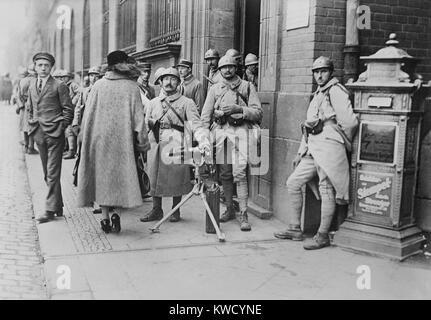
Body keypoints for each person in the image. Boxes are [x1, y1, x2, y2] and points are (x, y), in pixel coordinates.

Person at [274, 56, 359, 250]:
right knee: (293, 182)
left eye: (323, 71)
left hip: (329, 149)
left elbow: (350, 122)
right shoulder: (318, 93)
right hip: (313, 148)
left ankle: (322, 235)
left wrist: (337, 137)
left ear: (331, 72)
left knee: (326, 188)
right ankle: (295, 228)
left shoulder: (336, 91)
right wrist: (300, 152)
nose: (319, 75)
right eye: (316, 72)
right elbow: (309, 126)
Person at [77, 50, 150, 234]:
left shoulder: (98, 86)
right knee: (120, 178)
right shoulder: (132, 87)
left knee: (102, 179)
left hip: (98, 141)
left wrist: (83, 141)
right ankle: (117, 213)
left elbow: (87, 117)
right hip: (123, 143)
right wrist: (142, 144)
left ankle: (104, 218)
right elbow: (139, 121)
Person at [201, 55, 263, 231]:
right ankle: (229, 209)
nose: (227, 70)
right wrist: (204, 134)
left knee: (239, 173)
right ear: (219, 70)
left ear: (236, 68)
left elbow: (258, 112)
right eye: (223, 67)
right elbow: (206, 114)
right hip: (220, 134)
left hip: (241, 134)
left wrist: (240, 109)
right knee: (225, 174)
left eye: (230, 66)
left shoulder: (247, 86)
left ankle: (243, 214)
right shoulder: (214, 89)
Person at [140, 67, 209, 223]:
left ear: (178, 82)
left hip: (176, 142)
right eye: (165, 79)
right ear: (160, 82)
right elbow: (144, 125)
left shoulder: (187, 102)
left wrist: (203, 140)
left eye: (172, 79)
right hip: (155, 143)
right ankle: (156, 209)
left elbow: (196, 124)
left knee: (177, 176)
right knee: (154, 175)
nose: (168, 82)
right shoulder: (152, 103)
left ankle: (176, 209)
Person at [27, 52, 74, 223]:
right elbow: (30, 107)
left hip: (55, 134)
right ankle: (58, 206)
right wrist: (31, 125)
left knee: (53, 173)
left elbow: (68, 108)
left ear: (51, 67)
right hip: (39, 134)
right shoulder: (32, 85)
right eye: (40, 65)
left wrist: (62, 126)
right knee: (47, 173)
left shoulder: (59, 85)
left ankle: (49, 210)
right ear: (35, 66)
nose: (43, 68)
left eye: (46, 65)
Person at [17, 63, 38, 154]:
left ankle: (26, 146)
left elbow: (18, 95)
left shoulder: (22, 80)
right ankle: (31, 147)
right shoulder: (36, 80)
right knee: (32, 127)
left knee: (25, 127)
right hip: (33, 107)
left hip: (24, 106)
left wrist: (21, 105)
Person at [62, 70, 81, 160]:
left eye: (65, 77)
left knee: (70, 130)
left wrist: (73, 101)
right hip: (68, 110)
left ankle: (72, 150)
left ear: (69, 77)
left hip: (73, 110)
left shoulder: (73, 85)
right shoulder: (64, 85)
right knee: (67, 130)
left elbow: (80, 92)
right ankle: (68, 148)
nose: (63, 78)